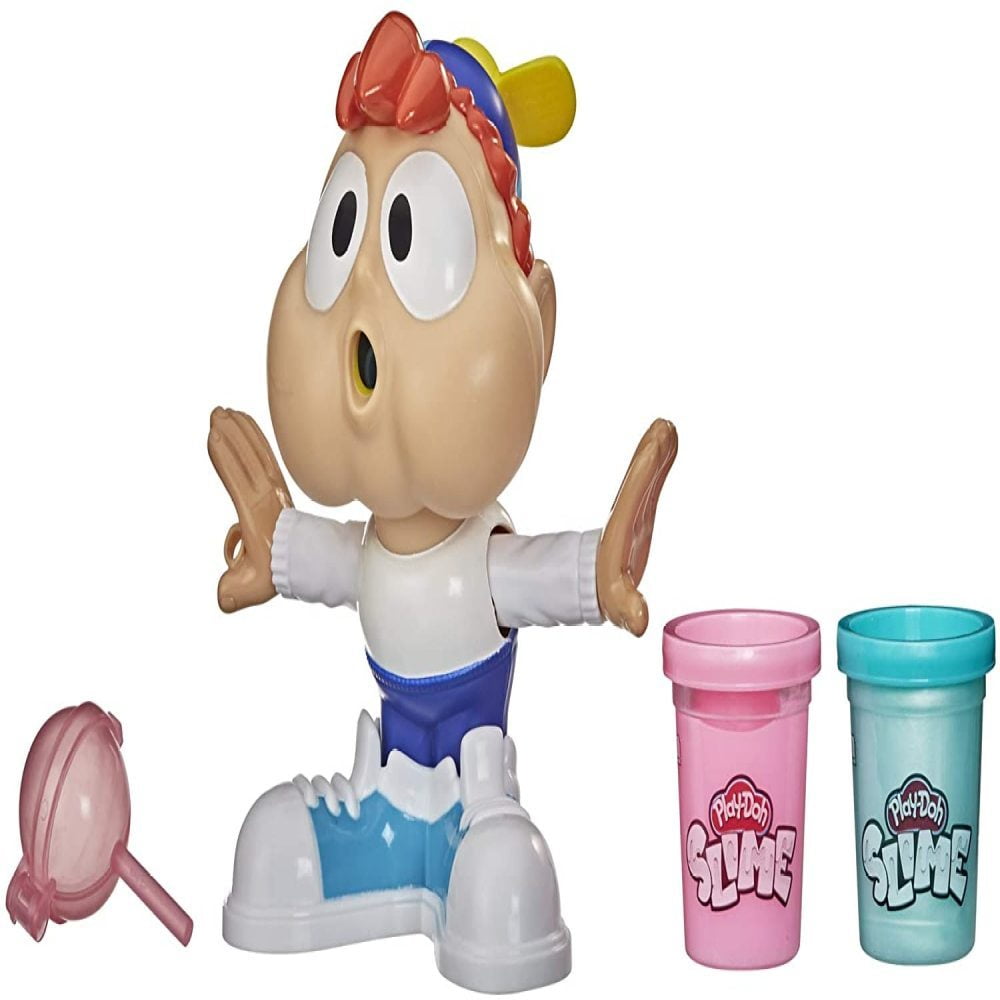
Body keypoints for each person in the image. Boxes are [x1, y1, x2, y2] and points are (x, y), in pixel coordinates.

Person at [208, 11, 677, 991]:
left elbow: (534, 579)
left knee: (503, 874)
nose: (362, 324)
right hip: (384, 777)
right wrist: (277, 545)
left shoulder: (481, 558)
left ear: (537, 321)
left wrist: (599, 571)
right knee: (273, 840)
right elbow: (343, 563)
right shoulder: (375, 544)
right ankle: (381, 848)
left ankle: (472, 844)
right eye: (342, 237)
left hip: (475, 782)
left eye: (410, 249)